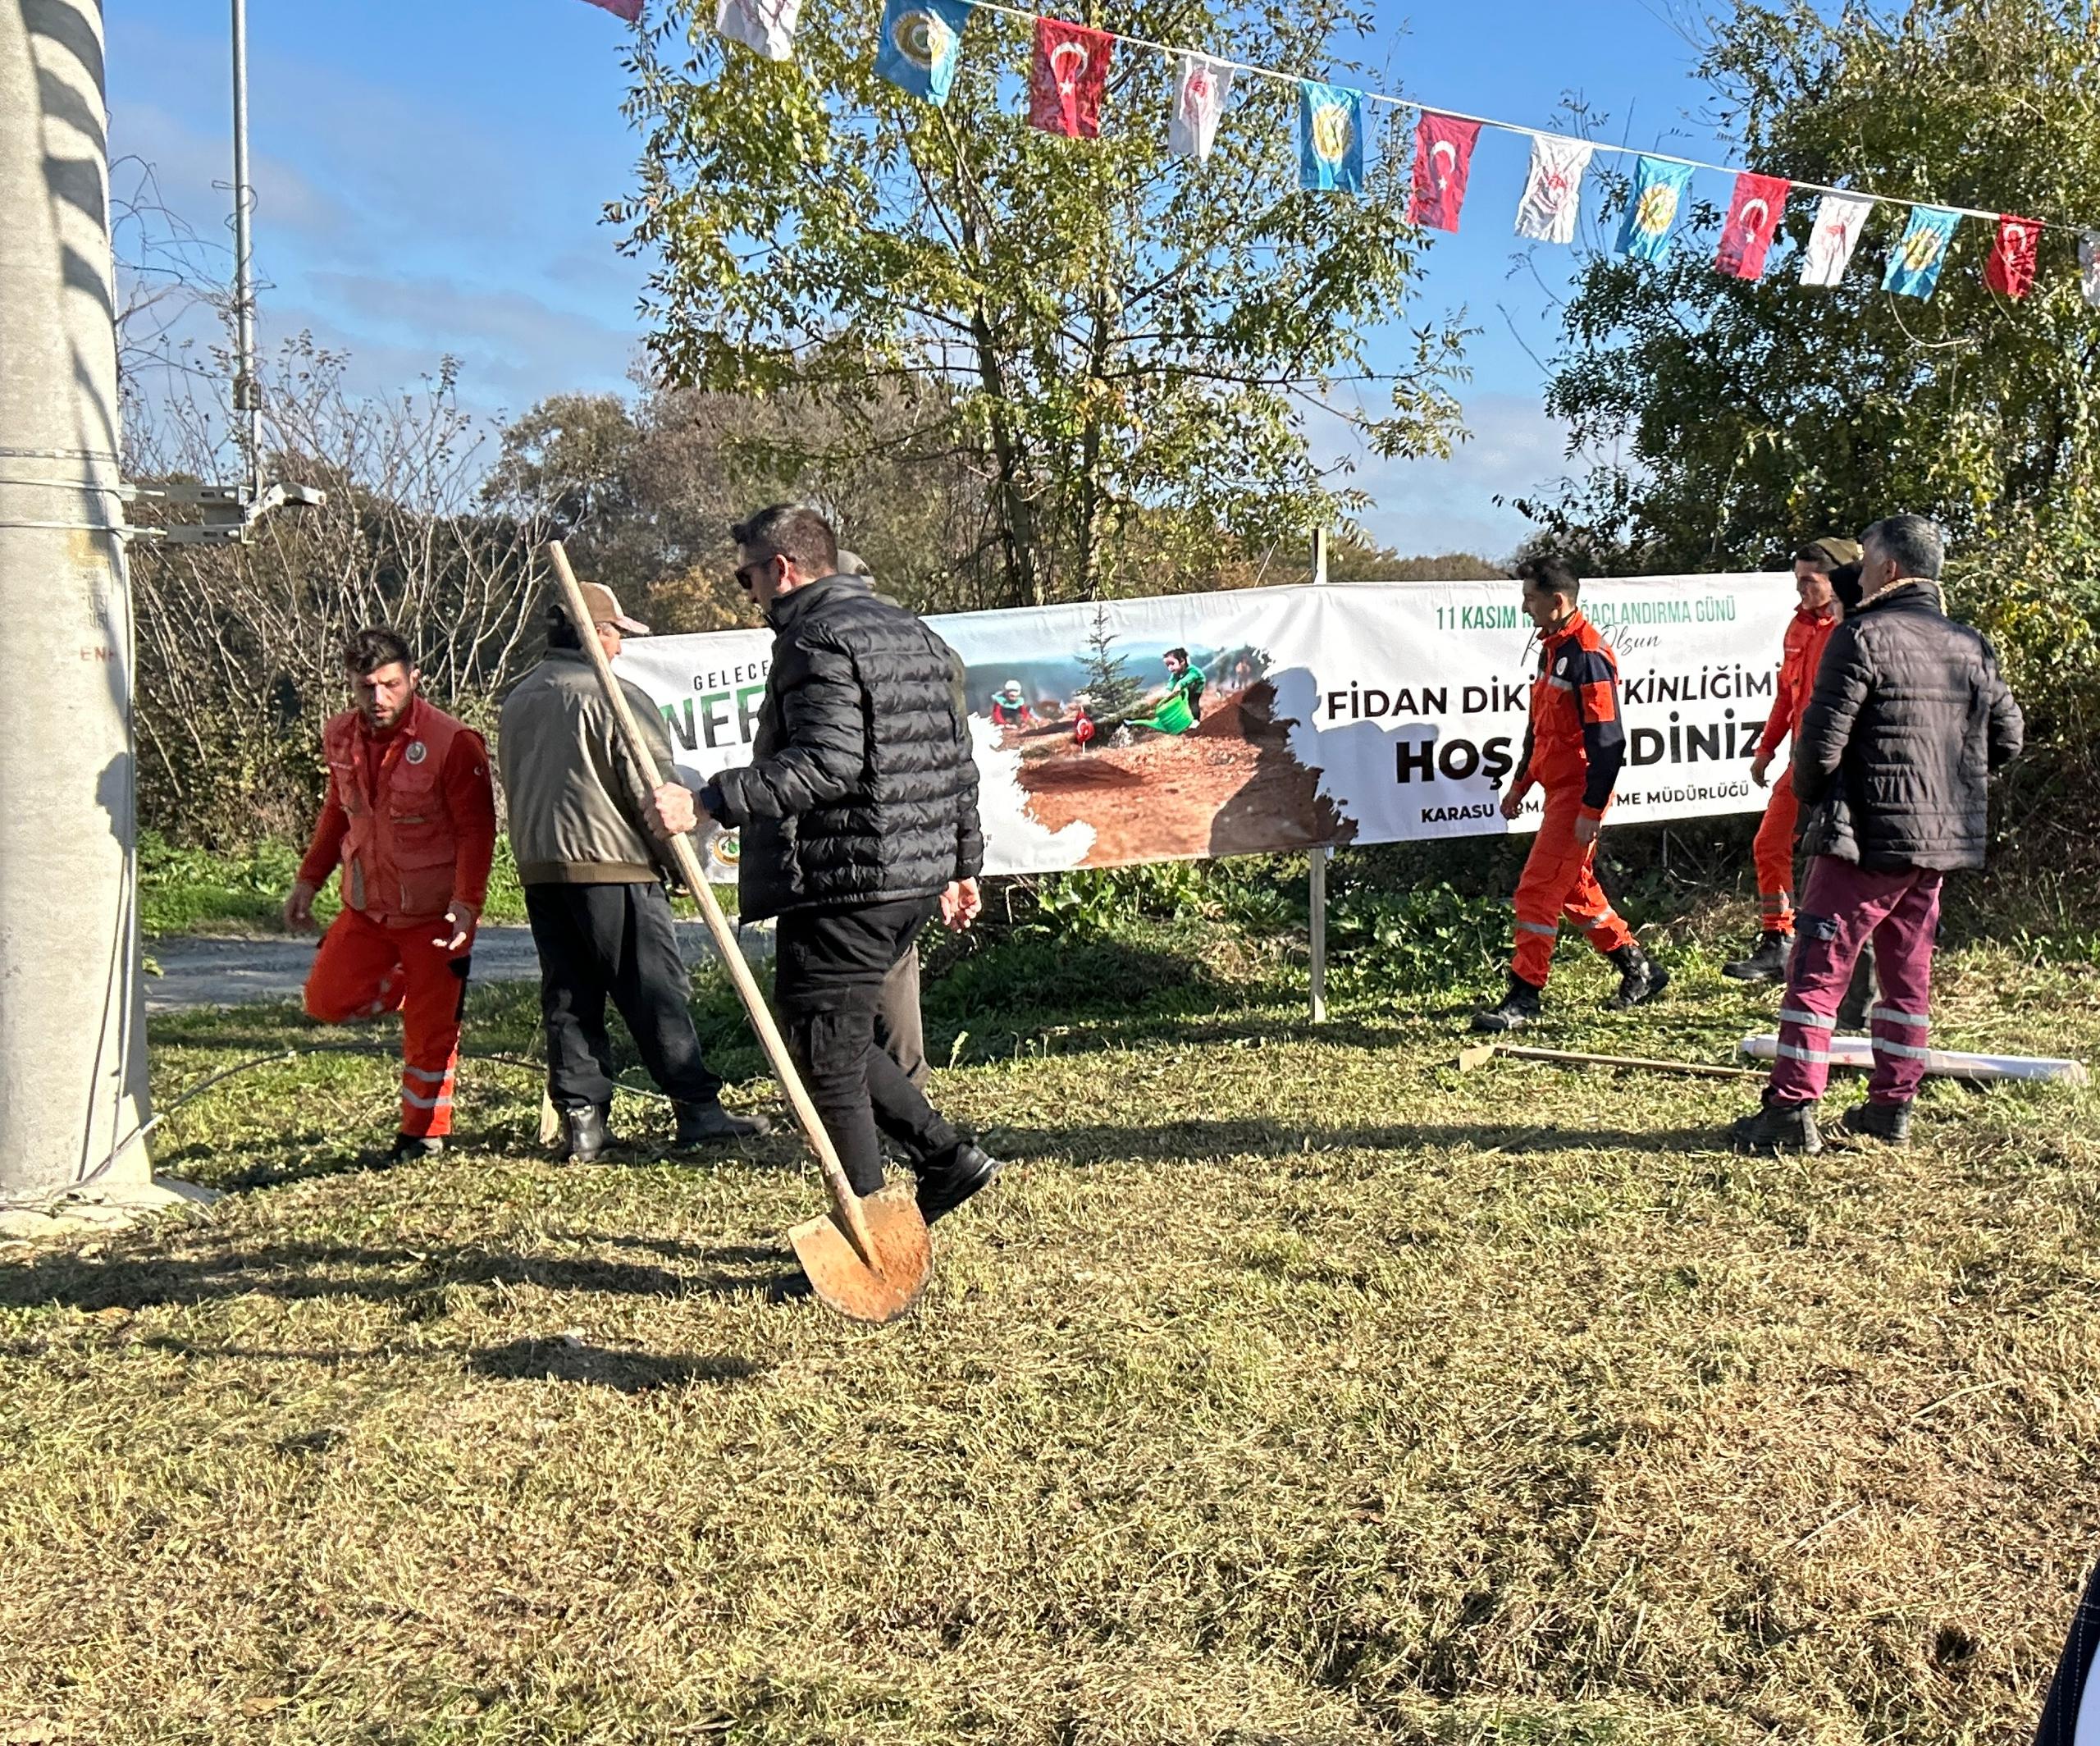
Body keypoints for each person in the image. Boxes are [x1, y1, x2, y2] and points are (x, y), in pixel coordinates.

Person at [648, 503, 1000, 1224]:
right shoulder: (915, 633)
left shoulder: (816, 638)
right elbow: (956, 764)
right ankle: (944, 1158)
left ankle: (869, 1231)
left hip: (847, 879)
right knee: (824, 1036)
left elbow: (826, 765)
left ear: (782, 569)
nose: (748, 595)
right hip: (907, 877)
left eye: (747, 577)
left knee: (827, 1058)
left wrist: (709, 799)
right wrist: (961, 862)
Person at [1731, 514, 2023, 1154]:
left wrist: (1815, 801)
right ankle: (1891, 1108)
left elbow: (1818, 747)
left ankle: (1789, 1112)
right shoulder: (1969, 643)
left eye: (1863, 562)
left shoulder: (1860, 636)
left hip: (1863, 837)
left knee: (1816, 972)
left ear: (1888, 570)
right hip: (1936, 844)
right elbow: (2007, 738)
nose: (1853, 575)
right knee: (1906, 977)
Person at [497, 581, 770, 1162]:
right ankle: (697, 1110)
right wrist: (675, 862)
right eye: (616, 632)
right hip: (614, 865)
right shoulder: (616, 699)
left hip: (542, 870)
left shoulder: (518, 699)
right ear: (594, 633)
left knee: (569, 997)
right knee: (654, 993)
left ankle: (583, 1122)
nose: (621, 644)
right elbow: (654, 792)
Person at [285, 627, 496, 1161]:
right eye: (365, 688)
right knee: (324, 999)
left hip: (434, 917)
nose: (378, 699)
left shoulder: (453, 741)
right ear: (350, 687)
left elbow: (478, 830)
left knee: (431, 1036)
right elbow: (338, 811)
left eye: (390, 685)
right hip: (366, 910)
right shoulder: (339, 736)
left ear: (412, 680)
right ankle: (399, 990)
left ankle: (423, 1134)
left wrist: (468, 903)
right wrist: (309, 879)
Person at [1472, 555, 1669, 1032]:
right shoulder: (1553, 649)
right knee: (1576, 890)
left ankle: (1524, 996)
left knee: (1536, 890)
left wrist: (1591, 809)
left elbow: (1610, 741)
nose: (1525, 609)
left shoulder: (1587, 654)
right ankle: (1640, 970)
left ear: (1557, 602)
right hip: (1559, 789)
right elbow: (1538, 729)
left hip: (1578, 794)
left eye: (1530, 600)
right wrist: (1520, 785)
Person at [1723, 537, 1860, 982]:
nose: (1800, 588)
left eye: (1809, 580)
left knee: (1840, 860)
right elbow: (1787, 694)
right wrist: (1765, 749)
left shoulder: (1851, 629)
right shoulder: (1797, 627)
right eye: (1797, 579)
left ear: (1835, 580)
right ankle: (1777, 942)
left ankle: (1839, 955)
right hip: (1801, 762)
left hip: (1844, 764)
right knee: (1768, 843)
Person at [1162, 647, 1205, 724]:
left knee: (1193, 702)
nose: (1170, 667)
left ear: (1182, 661)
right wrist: (1168, 690)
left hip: (1197, 687)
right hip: (1186, 687)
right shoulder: (1176, 672)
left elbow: (1187, 679)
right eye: (1168, 665)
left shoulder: (1193, 671)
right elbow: (1172, 681)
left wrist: (1179, 685)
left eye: (1172, 664)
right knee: (1183, 701)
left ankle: (1196, 720)